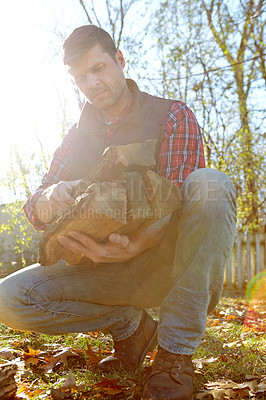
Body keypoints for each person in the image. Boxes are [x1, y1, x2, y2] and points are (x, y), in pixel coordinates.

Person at [0, 25, 237, 400]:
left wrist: (135, 244)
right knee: (7, 298)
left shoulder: (172, 115)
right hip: (101, 272)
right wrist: (52, 194)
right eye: (81, 77)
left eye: (99, 68)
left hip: (165, 265)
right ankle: (133, 328)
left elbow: (180, 198)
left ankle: (175, 355)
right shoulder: (74, 138)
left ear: (119, 60)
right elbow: (34, 208)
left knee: (212, 184)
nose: (92, 83)